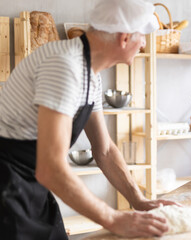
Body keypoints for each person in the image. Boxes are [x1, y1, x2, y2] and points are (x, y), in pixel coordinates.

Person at [0, 0, 178, 239]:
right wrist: (113, 219)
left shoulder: (89, 73)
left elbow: (103, 149)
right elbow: (51, 169)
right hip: (6, 183)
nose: (145, 44)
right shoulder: (64, 66)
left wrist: (139, 200)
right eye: (143, 36)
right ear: (124, 38)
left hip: (30, 183)